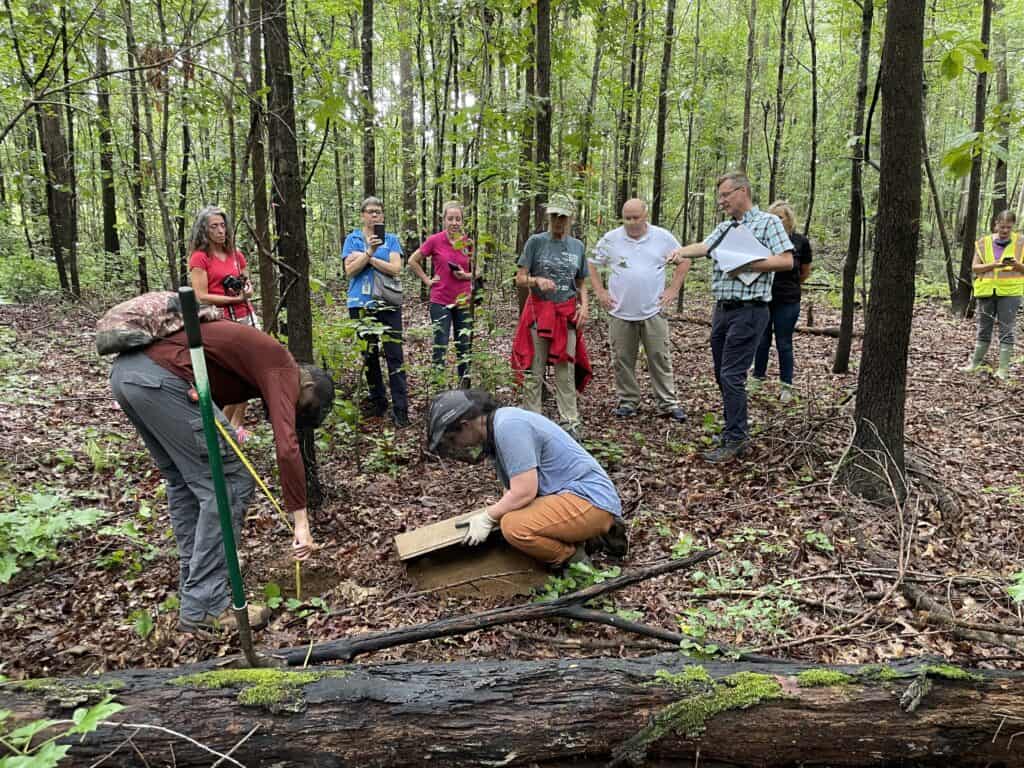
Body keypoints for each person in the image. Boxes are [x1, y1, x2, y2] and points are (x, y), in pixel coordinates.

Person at [109, 319, 334, 633]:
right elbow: (286, 447)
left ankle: (195, 590)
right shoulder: (285, 368)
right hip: (159, 380)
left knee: (188, 484)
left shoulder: (256, 367)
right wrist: (302, 523)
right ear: (308, 387)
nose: (298, 412)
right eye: (306, 407)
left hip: (128, 377)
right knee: (230, 481)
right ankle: (207, 604)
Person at [670, 171, 795, 462]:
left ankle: (737, 438)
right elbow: (704, 247)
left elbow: (787, 261)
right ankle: (731, 428)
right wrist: (677, 252)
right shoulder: (726, 227)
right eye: (720, 196)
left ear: (743, 192)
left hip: (750, 310)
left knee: (731, 374)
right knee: (721, 374)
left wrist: (749, 264)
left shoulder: (768, 222)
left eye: (726, 195)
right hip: (723, 310)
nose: (721, 201)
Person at [426, 389, 623, 568]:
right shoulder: (499, 427)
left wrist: (488, 518)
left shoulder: (509, 426)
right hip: (576, 498)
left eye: (453, 439)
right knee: (508, 515)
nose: (457, 446)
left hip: (591, 500)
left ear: (466, 424)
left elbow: (524, 491)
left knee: (514, 526)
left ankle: (574, 560)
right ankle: (589, 538)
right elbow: (514, 491)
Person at [589, 198, 688, 421]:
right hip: (620, 311)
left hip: (653, 310)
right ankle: (628, 401)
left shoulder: (662, 237)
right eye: (627, 218)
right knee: (622, 358)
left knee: (659, 356)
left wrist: (672, 289)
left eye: (636, 217)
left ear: (645, 216)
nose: (631, 222)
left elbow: (684, 260)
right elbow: (592, 264)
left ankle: (667, 402)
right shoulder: (611, 239)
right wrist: (601, 292)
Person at [510, 193, 591, 438]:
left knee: (565, 370)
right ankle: (532, 421)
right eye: (554, 216)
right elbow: (520, 278)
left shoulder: (577, 246)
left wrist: (584, 306)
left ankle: (570, 421)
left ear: (570, 219)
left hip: (565, 314)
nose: (558, 221)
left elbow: (581, 282)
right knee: (534, 370)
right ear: (548, 216)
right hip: (539, 313)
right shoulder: (536, 242)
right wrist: (536, 280)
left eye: (563, 217)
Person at [342, 196, 410, 427]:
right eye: (370, 211)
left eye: (378, 212)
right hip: (360, 305)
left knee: (394, 355)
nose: (374, 215)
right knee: (369, 357)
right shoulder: (352, 239)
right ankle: (378, 402)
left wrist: (367, 260)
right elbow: (350, 271)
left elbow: (396, 268)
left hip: (388, 304)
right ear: (362, 215)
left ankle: (401, 410)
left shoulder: (391, 240)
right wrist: (370, 252)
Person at [188, 205, 256, 434]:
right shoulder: (199, 258)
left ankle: (238, 424)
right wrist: (232, 299)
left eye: (222, 225)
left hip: (246, 315)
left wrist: (245, 291)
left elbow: (247, 282)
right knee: (234, 372)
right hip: (221, 319)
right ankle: (223, 428)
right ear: (204, 231)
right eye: (213, 226)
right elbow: (200, 294)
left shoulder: (236, 255)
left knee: (250, 373)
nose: (220, 231)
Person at [750, 200, 813, 402]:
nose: (777, 220)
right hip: (763, 298)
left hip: (788, 300)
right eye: (773, 217)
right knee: (762, 340)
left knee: (784, 342)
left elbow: (804, 272)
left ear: (789, 219)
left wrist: (792, 284)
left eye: (781, 217)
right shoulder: (763, 240)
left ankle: (786, 386)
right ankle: (757, 379)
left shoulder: (800, 242)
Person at [408, 200, 474, 385]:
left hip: (462, 300)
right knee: (440, 346)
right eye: (450, 218)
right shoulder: (435, 240)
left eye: (458, 219)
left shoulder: (467, 242)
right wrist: (428, 280)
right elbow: (413, 261)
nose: (454, 222)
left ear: (462, 221)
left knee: (463, 346)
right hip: (440, 301)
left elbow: (477, 273)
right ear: (444, 220)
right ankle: (438, 389)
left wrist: (465, 275)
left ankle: (465, 389)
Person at [962, 210, 1024, 380]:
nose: (1005, 230)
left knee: (1006, 328)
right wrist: (994, 265)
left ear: (1013, 226)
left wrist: (1017, 265)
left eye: (1008, 227)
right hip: (986, 291)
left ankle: (1003, 369)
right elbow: (975, 268)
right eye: (1002, 227)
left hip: (1010, 292)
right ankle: (975, 363)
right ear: (996, 224)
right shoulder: (983, 242)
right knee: (984, 328)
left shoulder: (1021, 242)